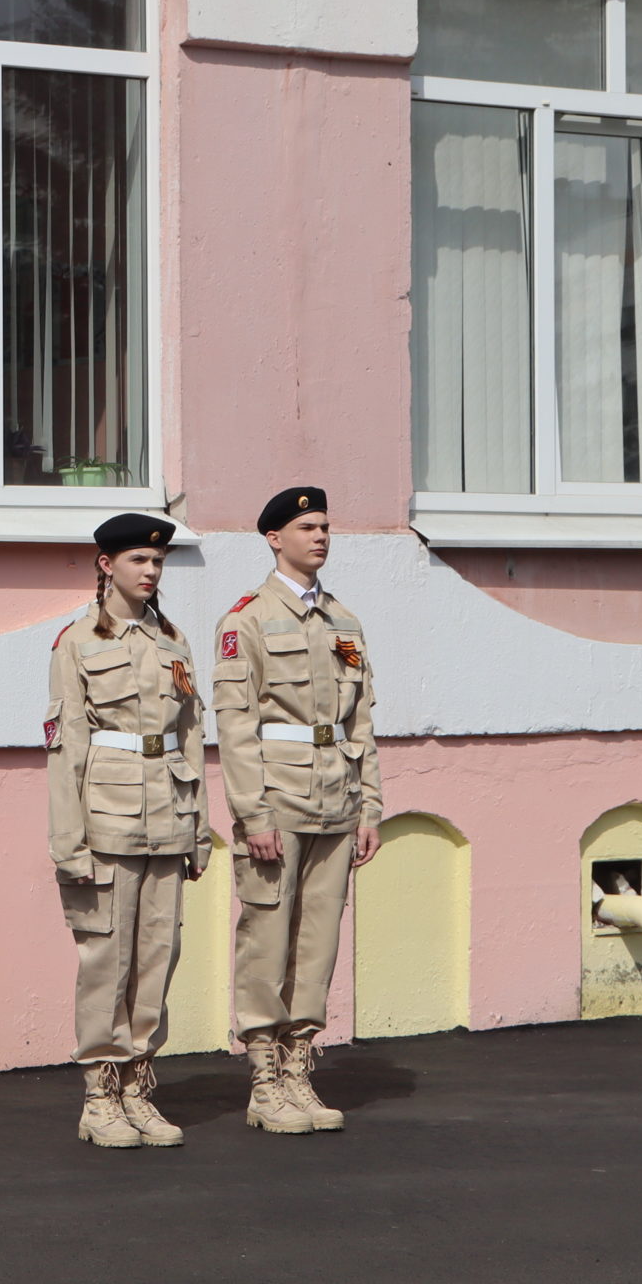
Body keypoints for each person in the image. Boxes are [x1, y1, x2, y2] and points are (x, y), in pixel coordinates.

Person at [211, 486, 382, 1136]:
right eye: (308, 525)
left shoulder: (344, 624)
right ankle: (262, 1076)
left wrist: (371, 805)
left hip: (335, 800)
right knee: (268, 935)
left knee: (317, 941)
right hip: (277, 800)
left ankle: (298, 1066)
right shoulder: (247, 620)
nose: (321, 536)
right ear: (274, 537)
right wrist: (251, 814)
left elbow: (360, 719)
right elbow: (234, 725)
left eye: (326, 525)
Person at [46, 513, 211, 1149]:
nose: (150, 571)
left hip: (168, 821)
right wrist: (70, 845)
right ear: (105, 565)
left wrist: (198, 831)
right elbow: (67, 752)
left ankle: (139, 1087)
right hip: (106, 824)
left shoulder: (174, 643)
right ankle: (99, 1096)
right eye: (139, 560)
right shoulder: (77, 643)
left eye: (158, 562)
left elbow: (191, 739)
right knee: (105, 963)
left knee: (157, 960)